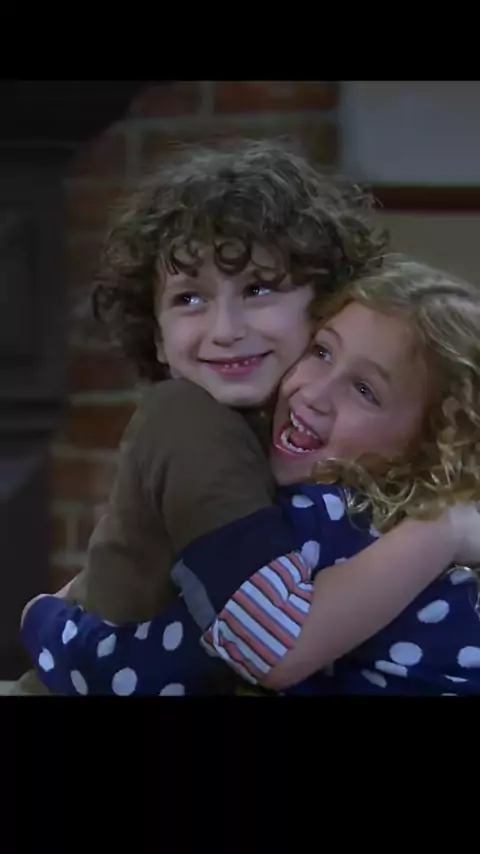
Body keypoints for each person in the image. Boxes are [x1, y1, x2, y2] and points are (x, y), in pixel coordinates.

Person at [13, 137, 385, 695]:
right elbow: (277, 645)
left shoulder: (291, 433)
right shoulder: (190, 419)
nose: (225, 329)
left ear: (324, 304)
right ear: (157, 337)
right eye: (189, 299)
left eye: (258, 288)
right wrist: (442, 535)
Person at [20, 258, 480, 695]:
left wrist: (46, 622)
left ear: (435, 440)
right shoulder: (414, 525)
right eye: (322, 351)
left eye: (364, 390)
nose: (315, 393)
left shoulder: (324, 526)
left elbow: (148, 673)